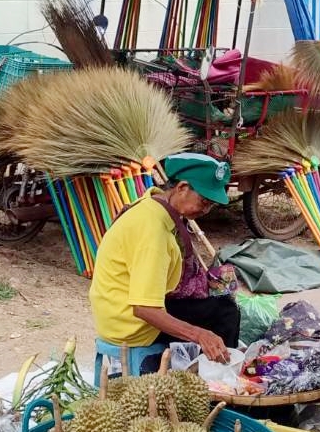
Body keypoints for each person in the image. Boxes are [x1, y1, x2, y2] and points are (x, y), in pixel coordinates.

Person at [88, 153, 240, 372]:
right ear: (181, 188)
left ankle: (210, 373)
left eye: (210, 205)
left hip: (116, 310)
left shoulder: (152, 204)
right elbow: (144, 309)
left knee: (221, 306)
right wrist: (199, 334)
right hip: (128, 323)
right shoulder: (153, 231)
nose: (205, 211)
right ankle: (219, 384)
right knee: (225, 313)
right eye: (204, 202)